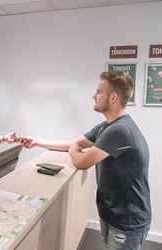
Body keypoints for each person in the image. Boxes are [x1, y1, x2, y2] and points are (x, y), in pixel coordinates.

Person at [21, 72, 151, 250]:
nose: (93, 96)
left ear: (113, 98)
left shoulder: (120, 130)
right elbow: (73, 144)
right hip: (112, 215)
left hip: (126, 222)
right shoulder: (107, 127)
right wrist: (38, 142)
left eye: (98, 92)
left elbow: (81, 162)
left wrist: (75, 148)